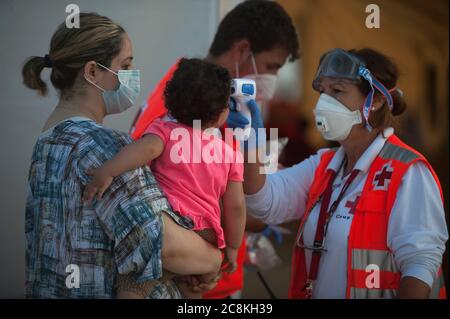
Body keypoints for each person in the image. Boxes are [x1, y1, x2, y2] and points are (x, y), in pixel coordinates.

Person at [23, 13, 222, 299]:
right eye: (125, 65)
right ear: (92, 72)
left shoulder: (46, 145)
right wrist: (215, 260)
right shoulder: (104, 147)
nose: (132, 74)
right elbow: (165, 246)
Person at [227, 47, 448, 299]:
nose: (324, 101)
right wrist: (252, 143)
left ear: (374, 101)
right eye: (323, 91)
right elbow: (264, 202)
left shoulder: (408, 171)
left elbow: (420, 265)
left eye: (338, 91)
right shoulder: (325, 164)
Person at [129, 0, 300, 298]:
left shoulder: (199, 100)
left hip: (207, 279)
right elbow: (247, 211)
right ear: (244, 50)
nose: (270, 81)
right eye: (271, 67)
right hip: (187, 286)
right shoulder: (185, 112)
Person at [83, 58, 246, 298]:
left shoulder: (165, 131)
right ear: (223, 113)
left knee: (133, 284)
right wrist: (231, 247)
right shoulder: (229, 152)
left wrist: (108, 170)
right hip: (206, 234)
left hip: (170, 224)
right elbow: (236, 207)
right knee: (193, 288)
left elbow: (146, 149)